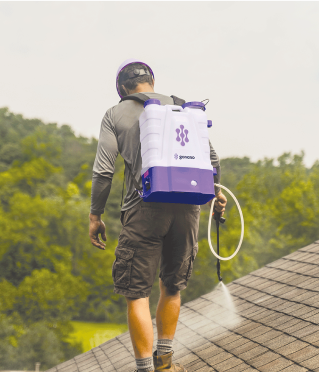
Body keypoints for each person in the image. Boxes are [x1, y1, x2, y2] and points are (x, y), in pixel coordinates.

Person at [89, 59, 226, 372]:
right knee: (172, 286)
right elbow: (213, 159)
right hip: (189, 208)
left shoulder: (115, 114)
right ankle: (164, 364)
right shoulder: (183, 108)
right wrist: (215, 194)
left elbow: (104, 172)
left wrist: (95, 215)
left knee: (137, 292)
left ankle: (144, 369)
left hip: (143, 208)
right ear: (152, 81)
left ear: (122, 90)